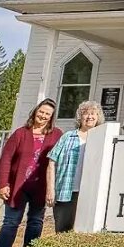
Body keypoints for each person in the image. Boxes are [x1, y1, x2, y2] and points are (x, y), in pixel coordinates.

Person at [0, 98, 62, 247]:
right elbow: (6, 160)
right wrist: (2, 184)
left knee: (35, 222)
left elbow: (60, 160)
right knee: (11, 222)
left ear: (52, 117)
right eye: (41, 112)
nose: (43, 116)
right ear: (35, 111)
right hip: (18, 186)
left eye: (48, 114)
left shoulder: (56, 135)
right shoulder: (21, 133)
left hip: (40, 186)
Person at [45, 100, 104, 234]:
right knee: (62, 231)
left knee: (86, 233)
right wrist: (50, 189)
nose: (89, 117)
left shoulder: (101, 138)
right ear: (80, 117)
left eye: (93, 114)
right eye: (86, 114)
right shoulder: (67, 137)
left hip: (90, 193)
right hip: (66, 191)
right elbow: (51, 162)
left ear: (98, 117)